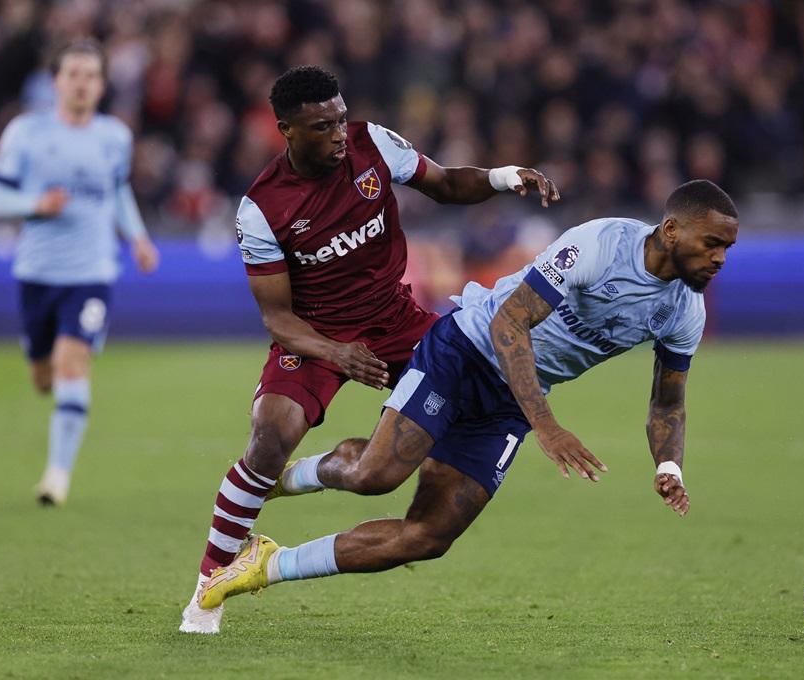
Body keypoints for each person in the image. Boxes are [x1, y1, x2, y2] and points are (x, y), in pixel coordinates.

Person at [197, 179, 738, 617]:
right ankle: (284, 477)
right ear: (671, 229)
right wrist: (547, 426)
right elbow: (509, 323)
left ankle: (268, 564)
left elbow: (668, 403)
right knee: (374, 475)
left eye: (726, 249)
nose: (719, 259)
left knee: (429, 536)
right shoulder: (599, 244)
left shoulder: (683, 311)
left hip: (510, 400)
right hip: (465, 350)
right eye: (711, 243)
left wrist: (669, 465)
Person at [179, 65, 559, 634]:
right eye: (322, 127)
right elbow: (277, 317)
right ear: (286, 131)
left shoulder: (372, 144)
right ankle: (208, 587)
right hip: (315, 332)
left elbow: (446, 183)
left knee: (483, 389)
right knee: (270, 434)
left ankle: (297, 478)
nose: (338, 134)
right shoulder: (262, 208)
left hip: (395, 319)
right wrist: (336, 353)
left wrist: (505, 177)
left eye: (340, 120)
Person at [0, 39, 159, 507]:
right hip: (37, 271)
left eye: (91, 75)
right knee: (43, 376)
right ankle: (43, 371)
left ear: (102, 84)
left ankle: (56, 478)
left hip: (92, 271)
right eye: (73, 74)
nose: (82, 83)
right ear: (56, 81)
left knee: (72, 361)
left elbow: (118, 192)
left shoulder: (114, 136)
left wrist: (138, 238)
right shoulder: (26, 132)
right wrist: (35, 205)